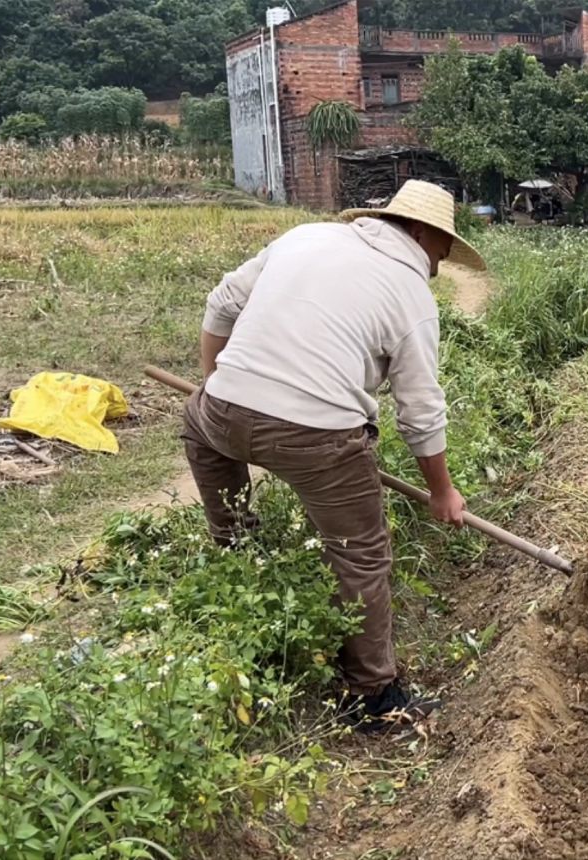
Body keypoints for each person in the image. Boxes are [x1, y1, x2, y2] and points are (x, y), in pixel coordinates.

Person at [180, 180, 484, 730]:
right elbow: (419, 412)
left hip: (221, 414)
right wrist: (442, 492)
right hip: (318, 439)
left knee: (202, 435)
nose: (438, 267)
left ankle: (238, 557)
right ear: (421, 232)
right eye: (441, 251)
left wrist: (217, 389)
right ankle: (372, 696)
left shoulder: (305, 237)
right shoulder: (412, 297)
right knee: (361, 552)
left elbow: (221, 301)